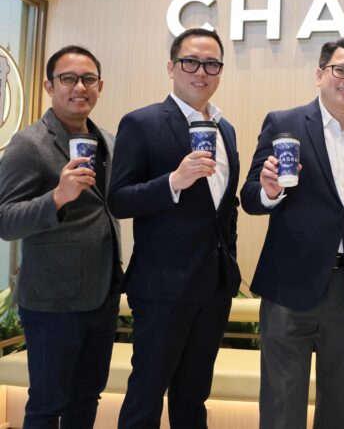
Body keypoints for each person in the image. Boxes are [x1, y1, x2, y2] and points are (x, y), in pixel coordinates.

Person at [240, 35, 344, 429]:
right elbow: (250, 197)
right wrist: (270, 191)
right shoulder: (284, 123)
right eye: (340, 70)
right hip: (289, 284)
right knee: (282, 402)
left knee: (343, 402)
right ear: (320, 74)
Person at [108, 28, 241, 428]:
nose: (201, 72)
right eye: (191, 62)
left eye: (212, 64)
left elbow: (225, 208)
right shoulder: (142, 123)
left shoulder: (226, 128)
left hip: (214, 287)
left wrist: (229, 263)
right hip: (162, 286)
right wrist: (173, 182)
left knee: (193, 397)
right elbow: (119, 199)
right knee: (146, 395)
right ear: (171, 67)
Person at [0, 45, 122, 428]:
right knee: (47, 403)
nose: (79, 87)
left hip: (102, 295)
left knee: (86, 398)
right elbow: (5, 221)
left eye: (88, 79)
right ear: (49, 86)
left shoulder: (108, 140)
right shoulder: (28, 144)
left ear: (100, 86)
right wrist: (57, 197)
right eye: (68, 78)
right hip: (52, 300)